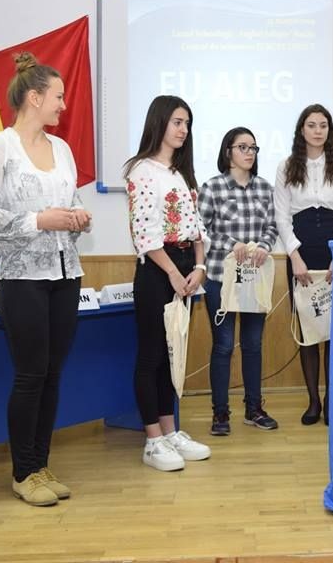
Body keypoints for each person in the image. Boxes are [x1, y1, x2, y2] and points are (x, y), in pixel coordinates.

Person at [0, 52, 91, 506]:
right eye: (58, 96)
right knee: (30, 374)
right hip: (20, 278)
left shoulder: (62, 150)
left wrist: (77, 217)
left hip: (65, 272)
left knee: (52, 374)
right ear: (34, 98)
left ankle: (40, 465)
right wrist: (39, 220)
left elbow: (69, 201)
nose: (63, 104)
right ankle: (23, 473)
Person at [124, 95, 212, 472]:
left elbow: (197, 227)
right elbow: (144, 233)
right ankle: (152, 440)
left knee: (171, 355)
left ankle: (170, 431)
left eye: (187, 123)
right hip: (158, 270)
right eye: (177, 122)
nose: (183, 129)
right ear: (159, 122)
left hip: (185, 269)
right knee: (152, 356)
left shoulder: (181, 172)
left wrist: (199, 267)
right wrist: (174, 274)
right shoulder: (141, 171)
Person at [274, 103, 333, 425]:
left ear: (329, 130)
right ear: (302, 129)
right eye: (312, 125)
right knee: (308, 328)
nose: (318, 130)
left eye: (323, 125)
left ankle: (332, 399)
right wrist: (294, 256)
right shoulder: (286, 166)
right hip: (302, 250)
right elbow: (282, 216)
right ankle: (312, 401)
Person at [198, 127, 279, 436]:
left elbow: (273, 227)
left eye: (253, 148)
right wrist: (232, 244)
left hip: (254, 280)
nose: (249, 152)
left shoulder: (265, 188)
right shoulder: (212, 187)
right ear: (227, 152)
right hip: (221, 278)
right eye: (242, 147)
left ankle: (253, 409)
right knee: (223, 346)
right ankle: (220, 413)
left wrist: (265, 246)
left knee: (253, 344)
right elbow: (201, 230)